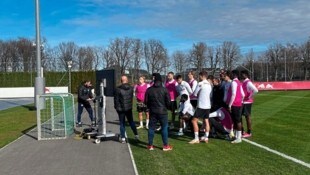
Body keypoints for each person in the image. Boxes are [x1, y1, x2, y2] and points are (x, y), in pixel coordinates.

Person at [145, 73, 173, 151]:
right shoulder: (164, 90)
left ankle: (150, 145)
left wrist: (149, 107)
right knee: (164, 128)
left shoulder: (149, 90)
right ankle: (165, 146)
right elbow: (168, 102)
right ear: (160, 80)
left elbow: (146, 102)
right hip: (162, 112)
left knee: (151, 128)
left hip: (153, 111)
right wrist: (168, 107)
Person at [189, 71, 212, 144]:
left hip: (201, 105)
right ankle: (206, 137)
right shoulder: (209, 84)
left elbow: (195, 93)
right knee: (206, 121)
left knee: (194, 120)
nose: (199, 77)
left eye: (199, 76)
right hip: (208, 105)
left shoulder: (200, 84)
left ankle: (196, 138)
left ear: (202, 76)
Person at [114, 75, 139, 143]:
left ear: (121, 81)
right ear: (127, 80)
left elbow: (116, 100)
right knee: (131, 122)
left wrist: (116, 108)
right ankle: (136, 134)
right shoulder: (131, 88)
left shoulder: (118, 89)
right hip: (128, 108)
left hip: (122, 109)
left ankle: (123, 138)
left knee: (122, 123)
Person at [226, 70, 245, 144]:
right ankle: (237, 136)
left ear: (234, 75)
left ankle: (239, 138)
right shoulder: (239, 82)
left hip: (234, 104)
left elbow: (233, 94)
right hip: (239, 104)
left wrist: (230, 105)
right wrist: (240, 101)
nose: (230, 75)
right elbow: (243, 94)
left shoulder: (234, 82)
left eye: (231, 74)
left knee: (237, 121)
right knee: (237, 120)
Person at [241, 70, 259, 138]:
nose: (241, 76)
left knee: (247, 116)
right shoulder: (244, 82)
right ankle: (242, 131)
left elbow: (256, 90)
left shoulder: (248, 82)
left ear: (245, 75)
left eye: (242, 74)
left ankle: (249, 132)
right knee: (242, 116)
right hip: (243, 101)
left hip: (247, 102)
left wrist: (249, 96)